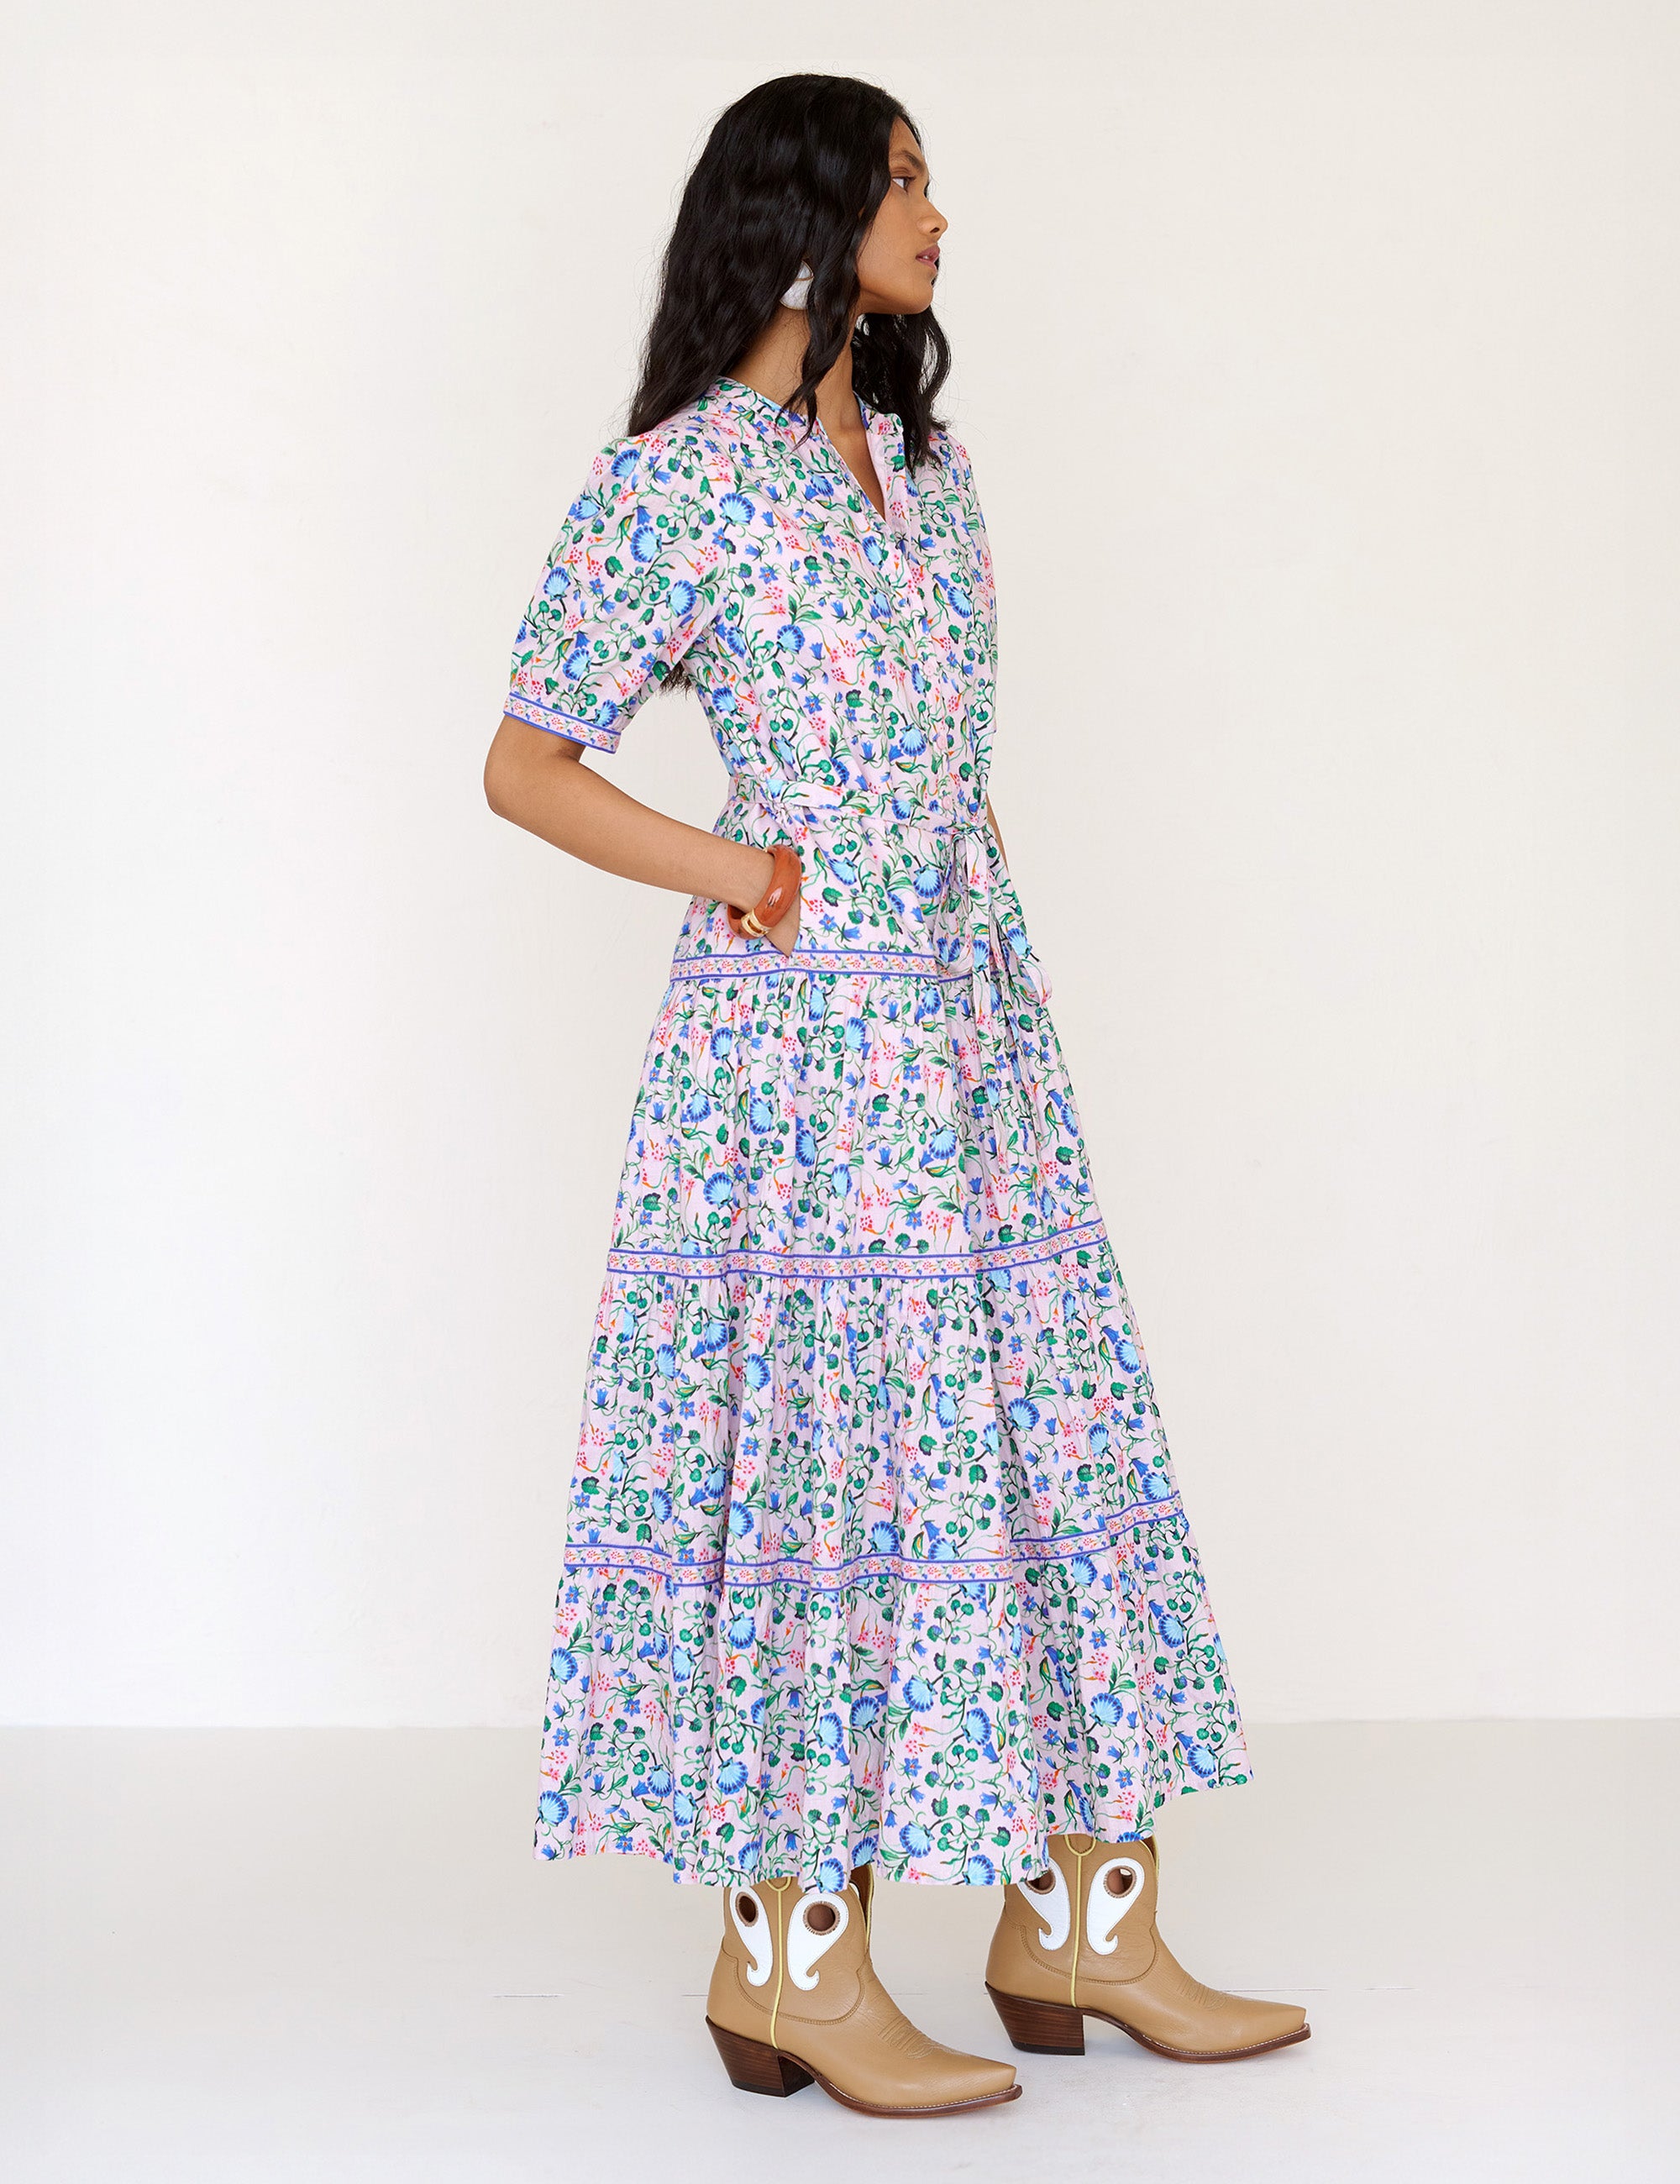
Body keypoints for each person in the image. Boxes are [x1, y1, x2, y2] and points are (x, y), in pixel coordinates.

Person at [483, 72, 1308, 2119]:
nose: (938, 217)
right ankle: (788, 1965)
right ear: (804, 211)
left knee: (1053, 1435)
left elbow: (946, 750)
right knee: (825, 1479)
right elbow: (526, 763)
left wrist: (970, 945)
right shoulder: (677, 484)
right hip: (793, 1061)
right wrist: (741, 866)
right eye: (905, 182)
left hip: (965, 1032)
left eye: (935, 178)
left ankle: (1085, 1923)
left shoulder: (929, 474)